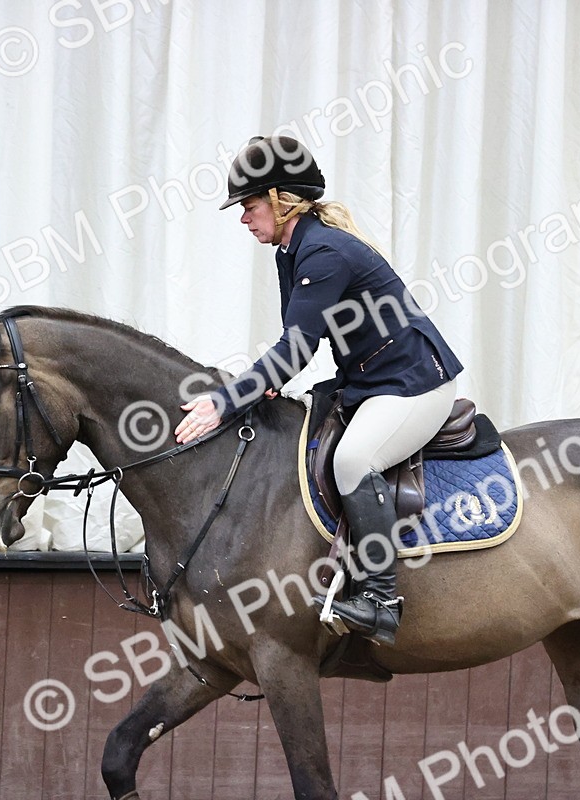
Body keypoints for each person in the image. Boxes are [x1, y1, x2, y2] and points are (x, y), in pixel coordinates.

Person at [174, 135, 463, 646]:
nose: (244, 218)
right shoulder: (293, 247)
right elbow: (296, 346)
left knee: (353, 461)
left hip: (413, 385)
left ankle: (380, 597)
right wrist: (263, 384)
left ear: (282, 201)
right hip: (370, 382)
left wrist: (225, 401)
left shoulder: (323, 251)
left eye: (250, 204)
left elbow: (295, 351)